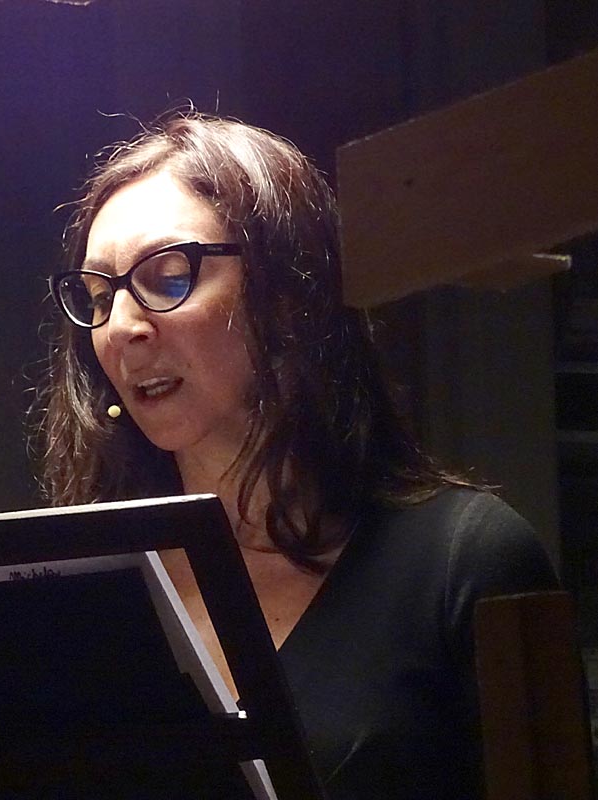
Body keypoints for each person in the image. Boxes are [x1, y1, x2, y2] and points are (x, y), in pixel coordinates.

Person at [35, 114, 557, 799]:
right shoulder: (83, 584)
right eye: (100, 297)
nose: (122, 328)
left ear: (287, 295)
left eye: (167, 277)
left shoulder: (466, 559)